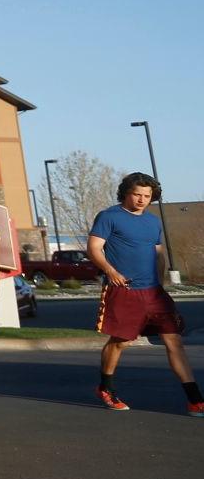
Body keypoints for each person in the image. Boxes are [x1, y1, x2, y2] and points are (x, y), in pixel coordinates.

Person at [88, 172, 202, 415]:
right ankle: (105, 388)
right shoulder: (109, 217)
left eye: (147, 196)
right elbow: (94, 248)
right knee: (121, 342)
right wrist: (111, 271)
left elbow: (158, 254)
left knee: (174, 340)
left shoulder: (153, 221)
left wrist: (159, 283)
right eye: (137, 194)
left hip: (154, 292)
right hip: (124, 289)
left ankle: (195, 399)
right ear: (126, 193)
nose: (142, 199)